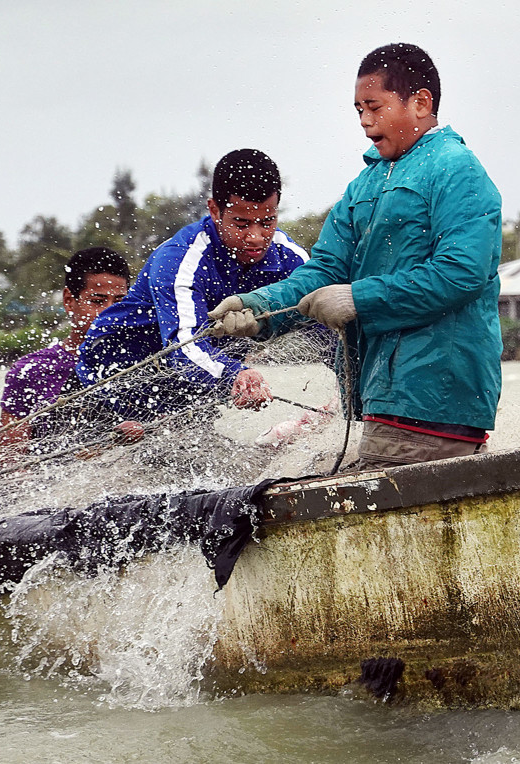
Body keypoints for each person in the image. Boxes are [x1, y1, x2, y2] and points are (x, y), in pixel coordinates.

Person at [208, 43, 503, 469]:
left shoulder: (457, 170)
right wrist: (259, 308)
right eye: (358, 109)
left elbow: (460, 274)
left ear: (421, 103)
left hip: (436, 395)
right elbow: (325, 269)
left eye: (374, 107)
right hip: (378, 394)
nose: (364, 121)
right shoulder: (363, 186)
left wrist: (358, 298)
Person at [75, 149, 309, 421]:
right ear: (214, 211)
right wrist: (236, 374)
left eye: (267, 222)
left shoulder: (291, 257)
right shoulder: (179, 260)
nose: (256, 237)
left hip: (192, 379)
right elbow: (183, 348)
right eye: (241, 223)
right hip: (114, 374)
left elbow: (327, 322)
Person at [0, 246, 133, 462]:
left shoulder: (143, 364)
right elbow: (10, 465)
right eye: (97, 301)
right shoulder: (30, 372)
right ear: (70, 301)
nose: (109, 313)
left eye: (119, 302)